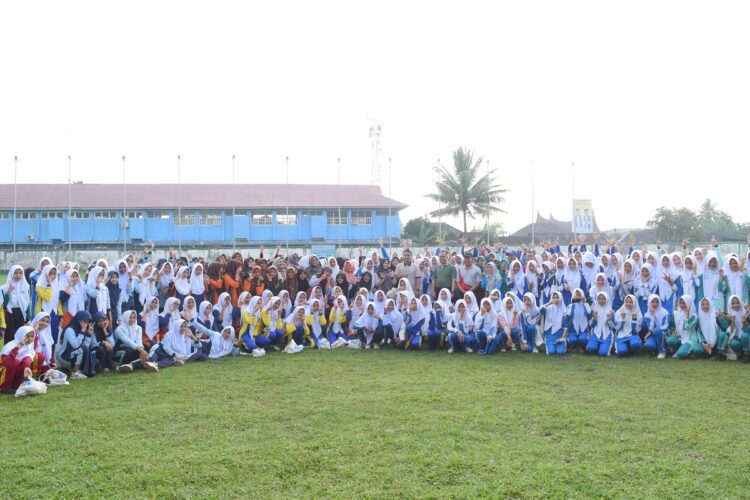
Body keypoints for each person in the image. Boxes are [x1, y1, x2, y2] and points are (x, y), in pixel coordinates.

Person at [1, 265, 32, 344]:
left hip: (21, 313)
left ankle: (19, 354)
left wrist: (28, 318)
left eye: (20, 273)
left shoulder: (26, 287)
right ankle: (8, 354)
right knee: (10, 335)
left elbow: (27, 304)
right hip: (9, 314)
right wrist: (8, 292)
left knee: (21, 335)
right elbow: (3, 305)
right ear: (11, 273)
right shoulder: (3, 288)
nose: (18, 275)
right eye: (15, 273)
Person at [0, 326, 35, 394]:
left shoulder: (28, 346)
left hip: (10, 370)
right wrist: (16, 348)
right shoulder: (10, 345)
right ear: (21, 335)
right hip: (2, 371)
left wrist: (26, 367)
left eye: (32, 336)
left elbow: (27, 357)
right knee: (15, 362)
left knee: (24, 364)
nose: (30, 339)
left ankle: (15, 386)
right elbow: (6, 363)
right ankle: (4, 387)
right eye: (28, 336)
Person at [585, 292, 614, 357]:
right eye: (599, 299)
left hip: (606, 335)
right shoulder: (594, 310)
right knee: (590, 348)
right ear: (597, 300)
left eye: (603, 299)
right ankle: (596, 346)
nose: (601, 301)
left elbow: (613, 327)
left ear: (607, 299)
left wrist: (609, 320)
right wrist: (594, 318)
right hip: (596, 333)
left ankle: (602, 347)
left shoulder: (610, 311)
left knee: (603, 353)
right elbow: (591, 325)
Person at [642, 294, 670, 360]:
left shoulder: (664, 312)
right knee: (649, 345)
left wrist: (654, 331)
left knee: (657, 330)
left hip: (663, 334)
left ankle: (662, 351)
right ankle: (655, 350)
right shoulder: (647, 314)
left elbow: (665, 326)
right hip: (652, 334)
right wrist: (652, 316)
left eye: (657, 302)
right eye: (653, 301)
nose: (655, 304)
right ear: (649, 302)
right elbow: (650, 328)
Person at [541, 291, 567, 356]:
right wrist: (550, 303)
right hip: (549, 334)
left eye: (557, 297)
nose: (555, 299)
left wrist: (562, 338)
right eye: (554, 297)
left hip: (559, 334)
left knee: (560, 352)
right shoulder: (548, 308)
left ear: (560, 298)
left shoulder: (564, 310)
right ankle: (549, 344)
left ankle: (564, 344)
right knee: (551, 352)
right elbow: (541, 310)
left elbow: (565, 326)